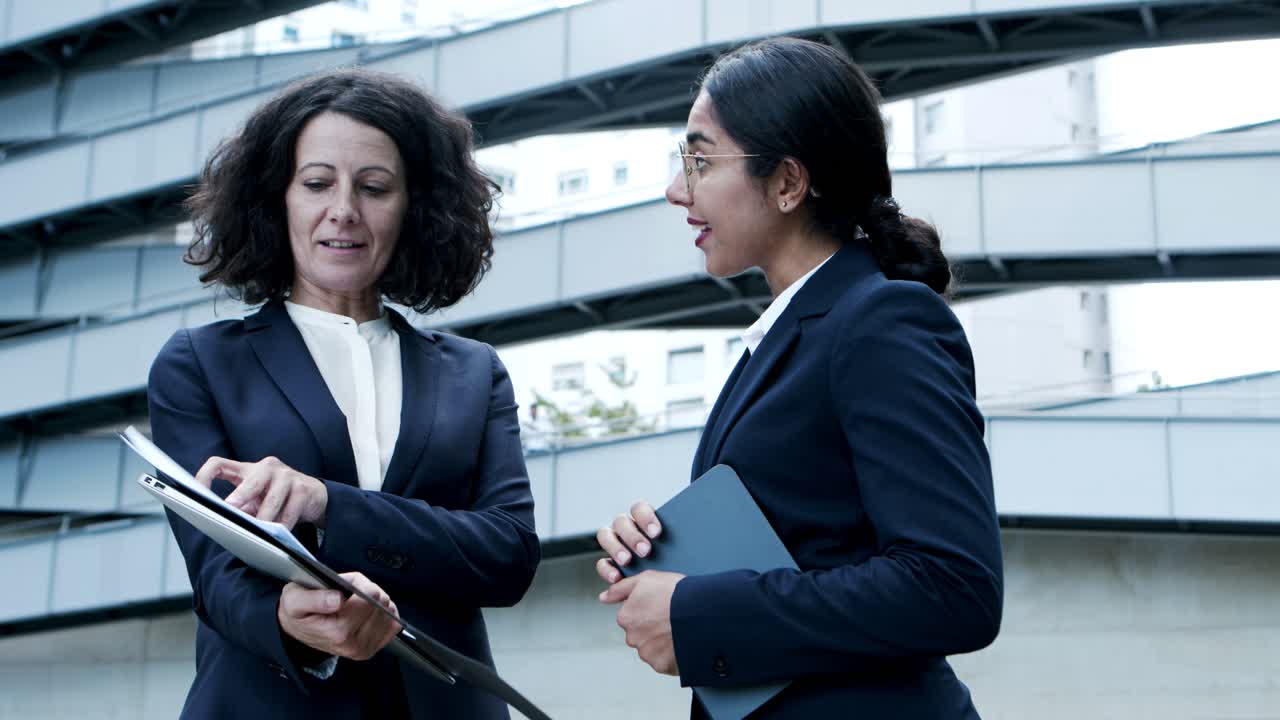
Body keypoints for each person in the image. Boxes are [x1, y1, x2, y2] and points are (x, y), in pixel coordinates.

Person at [594, 37, 1003, 718]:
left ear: (787, 182)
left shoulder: (882, 320)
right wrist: (665, 546)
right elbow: (809, 542)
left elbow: (954, 586)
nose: (675, 191)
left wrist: (698, 611)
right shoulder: (790, 337)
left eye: (699, 159)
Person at [147, 68, 540, 720]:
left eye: (375, 187)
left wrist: (329, 504)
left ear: (415, 205)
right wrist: (286, 618)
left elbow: (507, 556)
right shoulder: (201, 363)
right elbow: (215, 574)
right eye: (317, 183)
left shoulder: (474, 373)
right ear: (277, 198)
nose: (344, 210)